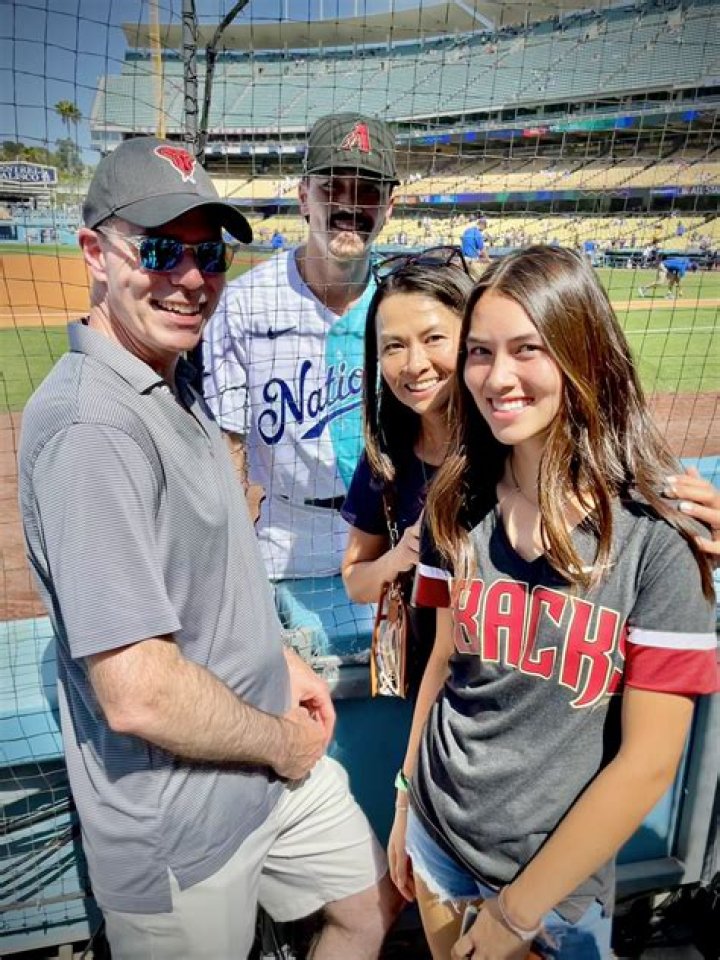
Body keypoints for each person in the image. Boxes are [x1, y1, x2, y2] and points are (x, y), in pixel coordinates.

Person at [18, 136, 398, 960]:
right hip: (179, 825)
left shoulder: (170, 375)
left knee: (371, 902)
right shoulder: (92, 430)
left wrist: (276, 660)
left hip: (260, 773)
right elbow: (139, 695)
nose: (192, 278)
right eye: (160, 249)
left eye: (209, 253)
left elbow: (206, 572)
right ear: (95, 254)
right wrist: (284, 742)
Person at [387, 246, 718, 959]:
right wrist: (405, 798)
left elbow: (649, 763)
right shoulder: (457, 498)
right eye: (479, 352)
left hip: (552, 895)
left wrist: (513, 917)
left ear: (581, 351)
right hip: (439, 838)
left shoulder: (658, 535)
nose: (496, 377)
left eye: (526, 349)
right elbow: (443, 665)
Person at [203, 113, 398, 653]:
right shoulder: (245, 304)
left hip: (386, 539)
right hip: (280, 541)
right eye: (331, 185)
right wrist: (234, 563)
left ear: (389, 207)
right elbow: (230, 448)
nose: (347, 203)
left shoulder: (407, 304)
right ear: (302, 196)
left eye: (367, 190)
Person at [341, 247, 474, 696]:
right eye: (394, 346)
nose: (414, 364)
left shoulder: (513, 444)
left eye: (434, 339)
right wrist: (400, 560)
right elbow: (355, 581)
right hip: (424, 686)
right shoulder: (386, 457)